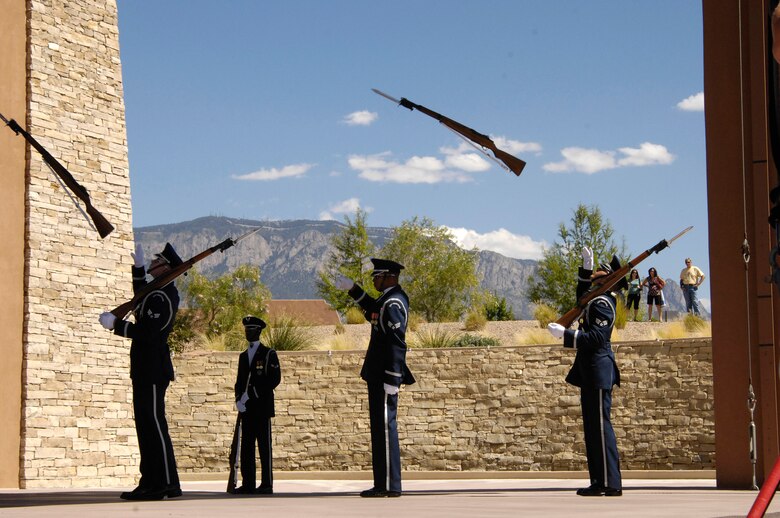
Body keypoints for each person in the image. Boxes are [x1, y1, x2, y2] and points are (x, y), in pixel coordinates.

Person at [98, 243, 183, 501]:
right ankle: (152, 481)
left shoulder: (165, 295)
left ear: (166, 268)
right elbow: (140, 294)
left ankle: (165, 483)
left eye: (156, 261)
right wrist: (138, 269)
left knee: (154, 425)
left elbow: (149, 332)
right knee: (146, 426)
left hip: (154, 368)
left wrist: (118, 326)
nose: (153, 264)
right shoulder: (155, 291)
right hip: (145, 367)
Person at [335, 258, 415, 498]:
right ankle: (381, 483)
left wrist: (393, 377)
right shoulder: (386, 300)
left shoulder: (393, 302)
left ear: (389, 276)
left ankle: (391, 485)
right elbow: (371, 307)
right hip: (378, 373)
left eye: (377, 277)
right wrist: (353, 289)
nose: (374, 280)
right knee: (379, 429)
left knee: (386, 428)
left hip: (385, 375)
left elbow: (397, 343)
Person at [547, 247, 622, 497]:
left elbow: (598, 337)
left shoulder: (602, 303)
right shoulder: (595, 299)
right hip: (591, 371)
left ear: (606, 279)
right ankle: (599, 481)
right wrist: (585, 268)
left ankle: (610, 483)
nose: (592, 278)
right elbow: (582, 296)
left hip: (599, 370)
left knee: (600, 427)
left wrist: (566, 335)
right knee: (592, 428)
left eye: (596, 274)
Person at [232, 316, 281, 495]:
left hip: (262, 407)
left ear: (259, 331)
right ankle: (248, 483)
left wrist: (251, 395)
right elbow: (239, 381)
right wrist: (238, 400)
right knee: (246, 447)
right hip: (247, 409)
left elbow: (274, 379)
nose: (248, 332)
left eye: (251, 329)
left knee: (264, 447)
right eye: (246, 329)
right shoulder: (243, 357)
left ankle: (267, 484)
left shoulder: (268, 354)